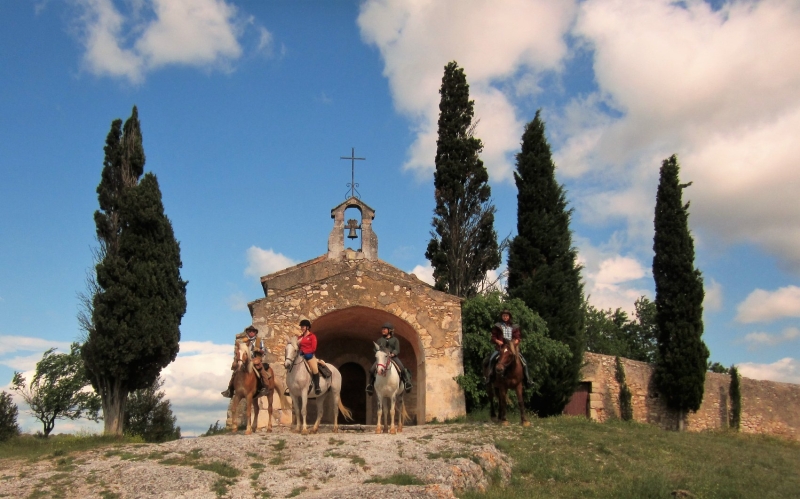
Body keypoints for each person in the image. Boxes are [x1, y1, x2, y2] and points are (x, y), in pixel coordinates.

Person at [483, 310, 533, 387]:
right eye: (504, 316)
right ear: (502, 317)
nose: (505, 317)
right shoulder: (498, 326)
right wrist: (497, 341)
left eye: (506, 316)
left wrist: (516, 341)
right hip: (500, 348)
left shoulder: (514, 327)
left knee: (524, 362)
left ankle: (528, 380)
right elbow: (493, 337)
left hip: (511, 348)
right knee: (491, 359)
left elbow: (518, 337)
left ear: (509, 317)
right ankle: (488, 378)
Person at [221, 325, 271, 398]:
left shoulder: (259, 341)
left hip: (255, 359)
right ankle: (230, 389)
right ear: (247, 332)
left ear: (255, 333)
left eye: (253, 331)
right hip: (245, 360)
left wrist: (258, 350)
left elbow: (264, 351)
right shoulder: (243, 341)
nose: (251, 333)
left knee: (261, 370)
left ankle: (265, 387)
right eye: (249, 331)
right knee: (236, 371)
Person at [366, 322, 412, 395]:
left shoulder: (395, 340)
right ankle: (370, 386)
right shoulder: (379, 340)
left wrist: (393, 353)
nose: (383, 330)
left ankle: (407, 383)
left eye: (384, 329)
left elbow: (397, 349)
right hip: (383, 358)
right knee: (372, 370)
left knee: (402, 368)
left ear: (389, 330)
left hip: (393, 357)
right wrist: (378, 352)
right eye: (382, 329)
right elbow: (375, 349)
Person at [298, 319, 322, 395]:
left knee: (314, 368)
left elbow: (313, 348)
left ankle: (317, 387)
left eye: (303, 327)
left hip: (310, 356)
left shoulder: (312, 336)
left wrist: (305, 352)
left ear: (307, 327)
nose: (302, 328)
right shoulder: (299, 337)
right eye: (301, 327)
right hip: (301, 356)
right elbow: (298, 347)